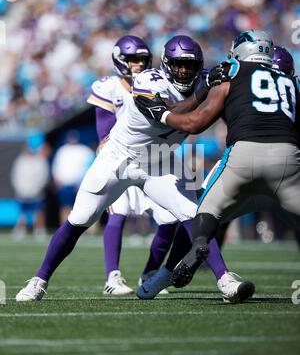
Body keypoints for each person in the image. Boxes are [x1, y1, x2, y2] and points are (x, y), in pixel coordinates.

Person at [15, 35, 253, 303]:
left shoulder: (205, 80)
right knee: (79, 219)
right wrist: (204, 91)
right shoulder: (148, 81)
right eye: (178, 64)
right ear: (165, 64)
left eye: (190, 65)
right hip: (119, 157)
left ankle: (225, 280)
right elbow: (180, 117)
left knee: (196, 216)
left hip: (159, 157)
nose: (184, 71)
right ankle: (39, 280)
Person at [134, 30, 300, 290]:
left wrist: (163, 115)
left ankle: (181, 262)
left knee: (200, 214)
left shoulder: (232, 70)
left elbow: (195, 122)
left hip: (244, 158)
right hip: (288, 162)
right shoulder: (291, 85)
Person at [87, 34, 174, 295]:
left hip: (154, 159)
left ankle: (150, 274)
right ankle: (112, 278)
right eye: (133, 59)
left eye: (142, 60)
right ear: (120, 61)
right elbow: (104, 133)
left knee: (169, 220)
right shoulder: (107, 87)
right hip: (121, 157)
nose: (138, 65)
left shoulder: (157, 84)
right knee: (119, 213)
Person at [11, 132, 49, 239]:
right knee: (22, 212)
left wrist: (37, 188)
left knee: (39, 211)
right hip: (22, 191)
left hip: (36, 191)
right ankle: (20, 229)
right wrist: (20, 188)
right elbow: (15, 175)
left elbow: (43, 176)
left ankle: (39, 229)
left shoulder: (40, 160)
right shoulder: (20, 160)